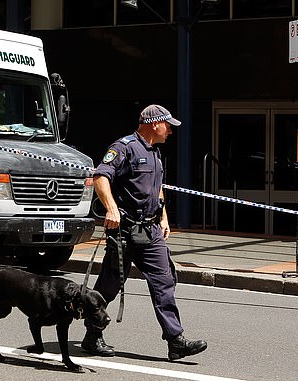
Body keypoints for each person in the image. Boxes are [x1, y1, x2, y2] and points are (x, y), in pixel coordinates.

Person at [82, 104, 207, 361]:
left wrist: (163, 218)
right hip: (125, 231)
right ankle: (93, 335)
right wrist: (111, 210)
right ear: (154, 124)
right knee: (109, 286)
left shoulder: (155, 153)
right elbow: (100, 177)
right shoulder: (124, 147)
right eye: (168, 125)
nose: (170, 130)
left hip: (150, 232)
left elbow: (156, 187)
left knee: (164, 282)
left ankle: (175, 341)